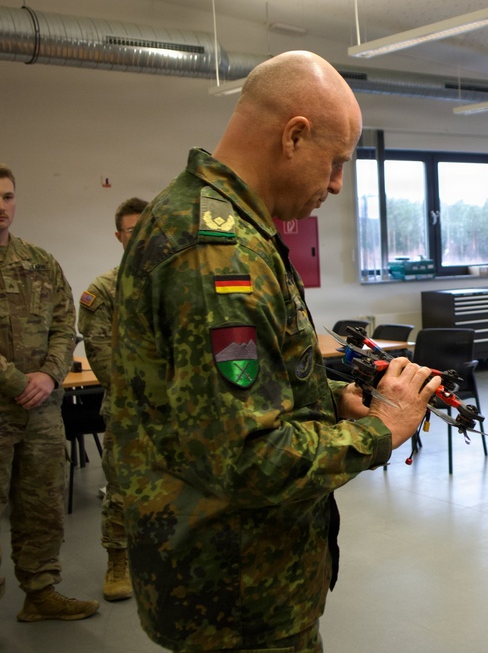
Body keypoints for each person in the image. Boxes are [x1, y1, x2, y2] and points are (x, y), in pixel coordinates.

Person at [108, 51, 440, 653]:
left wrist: (332, 400)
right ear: (293, 136)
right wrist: (384, 429)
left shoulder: (210, 220)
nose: (338, 184)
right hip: (236, 593)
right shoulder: (218, 253)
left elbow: (238, 392)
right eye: (336, 163)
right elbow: (247, 457)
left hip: (233, 579)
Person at [0, 164, 100, 622]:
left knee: (41, 505)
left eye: (7, 197)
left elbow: (66, 324)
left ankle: (40, 592)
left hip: (42, 411)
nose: (1, 208)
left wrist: (51, 374)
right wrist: (21, 382)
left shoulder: (39, 261)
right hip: (7, 404)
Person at [77, 196, 146, 602]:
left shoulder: (176, 283)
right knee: (121, 490)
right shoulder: (103, 291)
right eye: (130, 230)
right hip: (128, 410)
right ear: (118, 236)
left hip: (177, 411)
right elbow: (101, 356)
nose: (138, 237)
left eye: (144, 228)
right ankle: (117, 561)